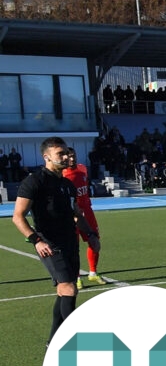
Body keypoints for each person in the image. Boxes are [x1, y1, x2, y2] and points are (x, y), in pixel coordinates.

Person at [12, 137, 100, 345]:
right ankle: (73, 341)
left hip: (70, 241)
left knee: (66, 291)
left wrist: (91, 236)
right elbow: (18, 216)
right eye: (61, 154)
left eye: (67, 153)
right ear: (47, 157)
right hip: (50, 244)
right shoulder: (35, 181)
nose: (66, 156)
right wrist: (36, 240)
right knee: (68, 287)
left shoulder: (67, 184)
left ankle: (53, 341)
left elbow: (76, 214)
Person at [62, 148, 105, 286]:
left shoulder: (82, 168)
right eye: (69, 157)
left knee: (94, 241)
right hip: (72, 214)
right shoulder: (63, 175)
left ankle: (93, 273)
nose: (72, 159)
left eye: (73, 156)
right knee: (73, 246)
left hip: (87, 211)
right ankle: (77, 277)